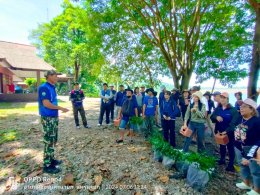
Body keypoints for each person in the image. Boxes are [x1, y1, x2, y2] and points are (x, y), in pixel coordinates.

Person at [38, 70, 69, 174]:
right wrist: (60, 107)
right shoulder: (44, 87)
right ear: (49, 76)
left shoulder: (52, 87)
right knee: (48, 140)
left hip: (53, 117)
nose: (57, 78)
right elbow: (46, 103)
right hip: (47, 118)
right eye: (55, 76)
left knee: (53, 139)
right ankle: (47, 165)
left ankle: (51, 159)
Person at [234, 98, 260, 194]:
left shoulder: (257, 121)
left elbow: (259, 140)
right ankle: (246, 183)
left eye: (244, 106)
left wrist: (249, 155)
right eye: (240, 106)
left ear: (252, 109)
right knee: (242, 165)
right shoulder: (239, 118)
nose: (241, 108)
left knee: (255, 170)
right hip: (238, 146)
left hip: (251, 148)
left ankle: (257, 190)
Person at [210, 92, 239, 172]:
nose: (222, 99)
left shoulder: (233, 110)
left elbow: (234, 123)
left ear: (228, 99)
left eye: (224, 98)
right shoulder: (218, 109)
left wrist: (226, 131)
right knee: (222, 146)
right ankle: (222, 159)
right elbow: (212, 117)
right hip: (219, 131)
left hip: (229, 133)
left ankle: (231, 164)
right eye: (221, 98)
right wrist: (216, 117)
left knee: (230, 148)